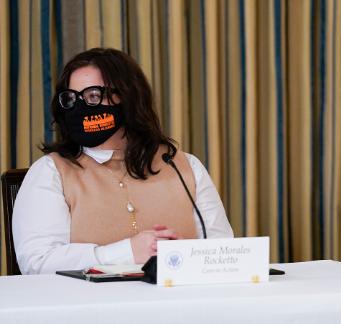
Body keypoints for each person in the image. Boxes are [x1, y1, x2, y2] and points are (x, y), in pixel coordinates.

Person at [12, 48, 233, 274]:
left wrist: (183, 255)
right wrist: (126, 253)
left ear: (128, 98)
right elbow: (37, 262)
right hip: (90, 307)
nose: (81, 106)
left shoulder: (183, 166)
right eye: (71, 98)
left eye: (94, 96)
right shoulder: (50, 172)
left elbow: (222, 253)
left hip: (179, 304)